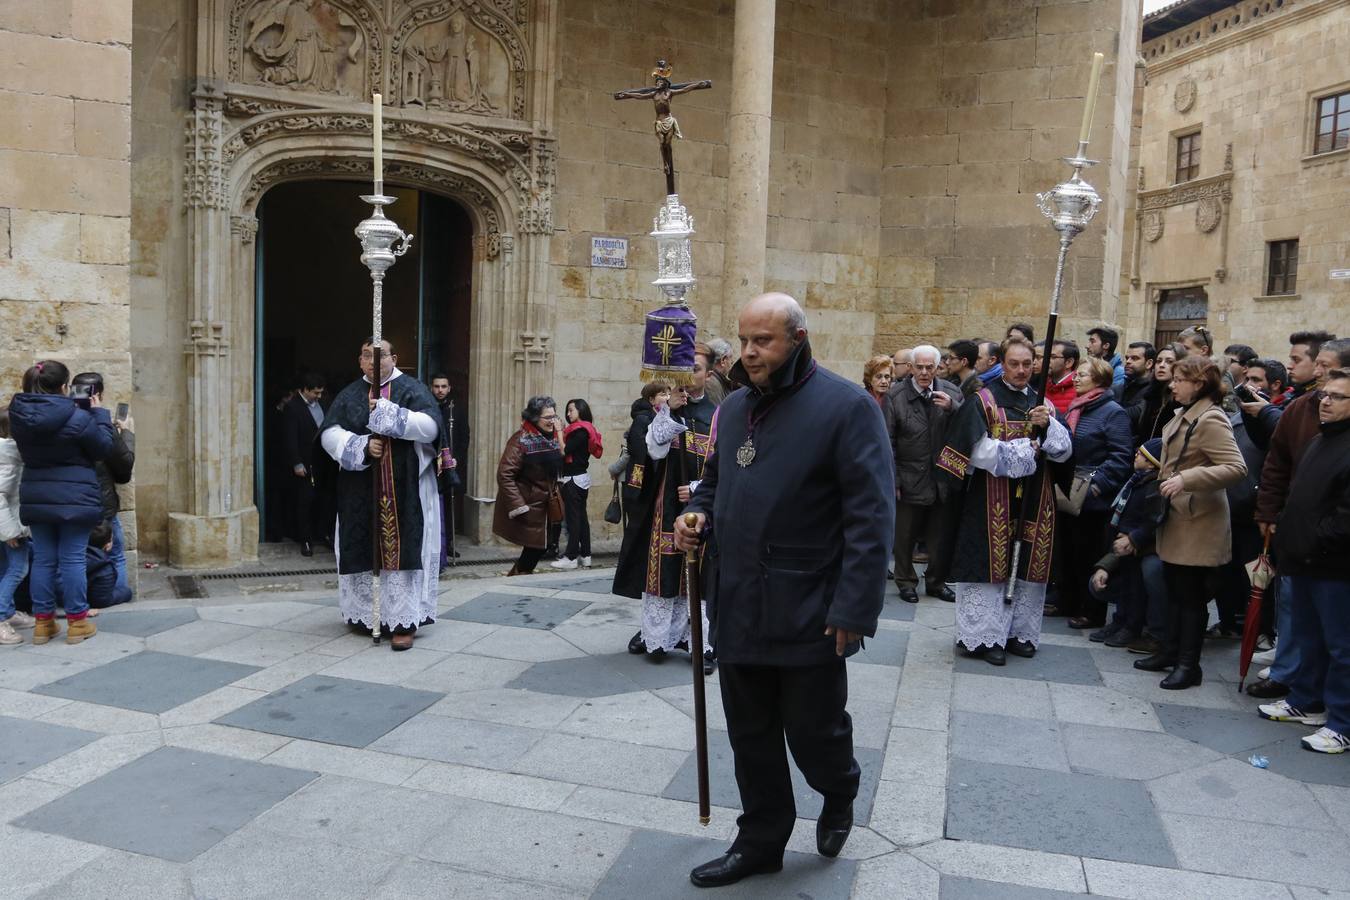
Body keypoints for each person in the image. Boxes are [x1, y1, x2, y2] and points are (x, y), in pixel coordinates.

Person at [674, 293, 893, 888]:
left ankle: (839, 788)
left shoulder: (848, 407)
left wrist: (855, 607)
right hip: (738, 600)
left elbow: (872, 517)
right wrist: (696, 513)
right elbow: (714, 481)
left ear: (798, 338)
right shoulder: (738, 405)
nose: (748, 352)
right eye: (744, 339)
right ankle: (762, 840)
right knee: (751, 735)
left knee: (815, 731)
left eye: (763, 341)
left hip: (811, 608)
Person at [937, 337, 1073, 666]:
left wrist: (1048, 426)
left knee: (1027, 563)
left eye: (1028, 364)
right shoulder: (983, 399)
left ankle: (1017, 633)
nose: (1021, 370)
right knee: (988, 565)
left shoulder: (1044, 404)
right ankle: (983, 636)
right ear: (1003, 362)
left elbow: (1065, 449)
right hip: (990, 497)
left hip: (1035, 496)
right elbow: (972, 449)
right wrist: (1022, 453)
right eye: (1014, 363)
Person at [319, 338, 446, 651]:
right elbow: (328, 434)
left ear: (395, 358)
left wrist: (392, 416)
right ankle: (367, 615)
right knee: (362, 544)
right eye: (366, 355)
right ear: (359, 361)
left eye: (380, 355)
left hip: (406, 490)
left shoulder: (412, 389)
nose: (373, 361)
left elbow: (431, 427)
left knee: (402, 549)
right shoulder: (349, 395)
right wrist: (361, 446)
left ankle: (404, 620)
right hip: (360, 490)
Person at [1132, 354, 1246, 690]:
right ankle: (1170, 652)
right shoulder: (1186, 413)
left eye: (1180, 379)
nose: (1172, 384)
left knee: (1191, 597)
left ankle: (1188, 665)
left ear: (1198, 383)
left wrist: (1187, 479)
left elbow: (1236, 468)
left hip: (1198, 522)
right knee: (1175, 590)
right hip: (1179, 516)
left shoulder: (1211, 418)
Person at [1249, 337, 1350, 698]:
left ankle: (1330, 706)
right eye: (1318, 364)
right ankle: (1294, 681)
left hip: (1328, 547)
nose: (1320, 375)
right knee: (1296, 613)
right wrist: (1270, 512)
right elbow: (1278, 464)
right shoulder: (1301, 409)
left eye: (1328, 367)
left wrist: (1316, 535)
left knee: (1336, 635)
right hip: (1298, 538)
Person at [615, 347, 718, 666]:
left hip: (701, 507)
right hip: (666, 506)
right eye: (686, 370)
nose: (690, 376)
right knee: (665, 570)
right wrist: (670, 412)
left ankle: (698, 641)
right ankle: (657, 637)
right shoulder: (666, 409)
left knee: (698, 576)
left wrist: (700, 489)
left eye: (697, 370)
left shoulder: (718, 415)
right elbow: (653, 452)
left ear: (709, 375)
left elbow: (726, 464)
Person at [9, 360, 115, 645]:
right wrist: (99, 414)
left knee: (43, 559)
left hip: (36, 495)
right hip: (74, 497)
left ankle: (44, 624)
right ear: (65, 387)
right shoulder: (77, 417)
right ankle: (77, 623)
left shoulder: (18, 414)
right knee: (72, 559)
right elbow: (104, 447)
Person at [1058, 357, 1134, 630]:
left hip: (1093, 498)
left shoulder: (1113, 412)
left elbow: (1120, 457)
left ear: (1100, 380)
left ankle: (1091, 610)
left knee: (1089, 553)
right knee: (1068, 550)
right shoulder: (1076, 408)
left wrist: (1095, 486)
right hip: (1069, 491)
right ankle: (1068, 602)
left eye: (1083, 375)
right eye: (1076, 375)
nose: (1076, 379)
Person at [883, 344, 961, 603]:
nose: (925, 372)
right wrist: (893, 479)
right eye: (919, 367)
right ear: (911, 368)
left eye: (930, 367)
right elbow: (887, 440)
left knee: (940, 536)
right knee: (904, 535)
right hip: (908, 476)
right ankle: (906, 581)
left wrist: (953, 409)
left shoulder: (951, 391)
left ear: (938, 368)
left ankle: (937, 582)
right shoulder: (895, 396)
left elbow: (968, 431)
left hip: (942, 477)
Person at [1088, 439, 1166, 648]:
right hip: (1123, 545)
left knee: (1135, 588)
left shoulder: (1153, 486)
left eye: (1141, 454)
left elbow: (1151, 521)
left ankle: (1132, 626)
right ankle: (1119, 621)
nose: (1135, 456)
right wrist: (1106, 564)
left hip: (1138, 547)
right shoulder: (1134, 482)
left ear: (1152, 463)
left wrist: (1132, 539)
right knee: (1120, 586)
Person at [70, 372, 135, 596]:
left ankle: (79, 601)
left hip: (71, 505)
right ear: (98, 395)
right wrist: (125, 432)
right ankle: (115, 595)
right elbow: (124, 468)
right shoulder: (101, 426)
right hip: (102, 507)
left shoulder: (61, 422)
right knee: (114, 553)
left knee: (72, 557)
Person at [493, 396, 564, 576]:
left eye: (554, 417)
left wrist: (561, 433)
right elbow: (504, 474)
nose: (552, 421)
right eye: (548, 418)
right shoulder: (520, 440)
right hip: (529, 505)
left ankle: (519, 576)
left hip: (546, 503)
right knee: (536, 547)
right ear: (534, 418)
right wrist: (518, 505)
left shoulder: (551, 437)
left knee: (542, 546)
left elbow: (563, 457)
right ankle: (516, 578)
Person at [550, 398, 601, 570]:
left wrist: (558, 430)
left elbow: (564, 451)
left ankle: (571, 557)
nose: (568, 413)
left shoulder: (581, 431)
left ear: (581, 410)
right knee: (581, 519)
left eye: (571, 410)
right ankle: (586, 555)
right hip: (578, 479)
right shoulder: (582, 429)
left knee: (574, 520)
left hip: (573, 479)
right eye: (567, 410)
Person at [0, 406, 35, 645]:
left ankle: (9, 613)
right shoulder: (9, 454)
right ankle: (1, 617)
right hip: (9, 524)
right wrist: (10, 531)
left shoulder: (7, 451)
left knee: (6, 569)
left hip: (7, 523)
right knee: (18, 569)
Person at [281, 372, 326, 557]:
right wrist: (297, 463)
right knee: (305, 502)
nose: (319, 396)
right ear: (305, 390)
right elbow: (290, 438)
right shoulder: (292, 407)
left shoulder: (323, 403)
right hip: (305, 463)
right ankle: (305, 540)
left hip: (323, 461)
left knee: (324, 499)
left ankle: (323, 534)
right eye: (316, 392)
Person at [429, 374, 462, 568]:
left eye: (443, 386)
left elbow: (463, 436)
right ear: (431, 388)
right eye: (436, 386)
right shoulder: (426, 407)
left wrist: (457, 459)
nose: (440, 390)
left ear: (449, 388)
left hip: (451, 464)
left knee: (449, 505)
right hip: (432, 465)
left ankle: (448, 542)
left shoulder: (455, 410)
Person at [1115, 341, 1161, 444]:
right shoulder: (1121, 386)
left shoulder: (1153, 390)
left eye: (1134, 358)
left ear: (1149, 363)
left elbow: (1137, 413)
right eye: (1127, 358)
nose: (1128, 361)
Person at [85, 519, 131, 610]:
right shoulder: (106, 569)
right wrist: (126, 593)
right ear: (108, 545)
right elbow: (101, 601)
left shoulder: (70, 560)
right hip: (95, 599)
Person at [1142, 343, 1184, 440]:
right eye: (1158, 361)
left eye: (1169, 362)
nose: (1161, 365)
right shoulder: (1151, 395)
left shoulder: (1181, 400)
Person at [1286, 330, 1335, 401]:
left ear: (1318, 362)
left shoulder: (1324, 399)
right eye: (1291, 359)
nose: (1289, 366)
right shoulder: (1296, 392)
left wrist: (1267, 408)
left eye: (1296, 360)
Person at [1044, 340, 1080, 413]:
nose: (1046, 360)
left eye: (1053, 357)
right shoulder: (1044, 385)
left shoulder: (1079, 389)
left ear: (1069, 362)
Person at [705, 336, 735, 404]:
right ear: (723, 360)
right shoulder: (711, 383)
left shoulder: (714, 379)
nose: (732, 362)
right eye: (730, 358)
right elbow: (716, 413)